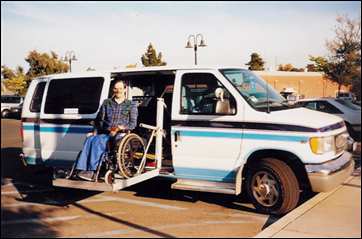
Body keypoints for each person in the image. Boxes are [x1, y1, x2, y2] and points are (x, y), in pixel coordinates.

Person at [75, 79, 138, 180]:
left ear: (125, 90)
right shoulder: (106, 103)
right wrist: (94, 132)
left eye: (120, 88)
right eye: (116, 89)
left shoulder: (131, 105)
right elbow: (99, 120)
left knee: (99, 141)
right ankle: (81, 169)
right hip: (105, 132)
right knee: (90, 139)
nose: (118, 91)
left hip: (121, 134)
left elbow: (132, 124)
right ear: (113, 89)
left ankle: (92, 171)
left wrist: (120, 127)